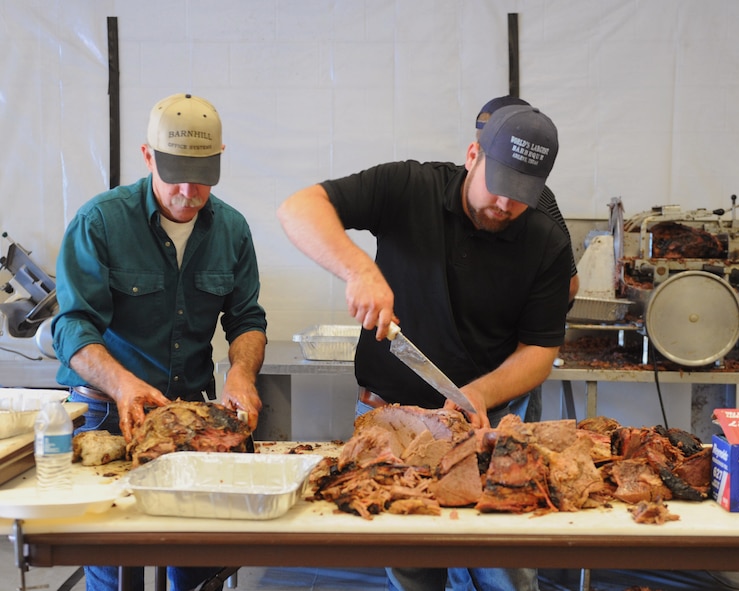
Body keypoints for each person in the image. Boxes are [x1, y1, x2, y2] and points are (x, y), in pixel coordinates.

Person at [277, 104, 572, 591]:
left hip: (486, 425)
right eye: (498, 185)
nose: (505, 205)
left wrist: (477, 393)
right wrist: (359, 271)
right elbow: (298, 208)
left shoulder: (546, 242)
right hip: (390, 423)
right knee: (413, 567)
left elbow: (538, 350)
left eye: (522, 195)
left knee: (505, 572)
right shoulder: (408, 188)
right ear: (473, 154)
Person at [52, 93, 268, 591]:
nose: (190, 191)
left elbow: (246, 318)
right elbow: (73, 327)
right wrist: (125, 385)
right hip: (107, 414)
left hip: (193, 416)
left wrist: (240, 372)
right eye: (176, 174)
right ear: (148, 157)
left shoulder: (232, 229)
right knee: (115, 566)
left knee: (195, 567)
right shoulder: (101, 222)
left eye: (203, 176)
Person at [474, 95, 580, 425]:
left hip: (509, 375)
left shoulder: (538, 202)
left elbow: (570, 284)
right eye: (480, 129)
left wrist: (525, 325)